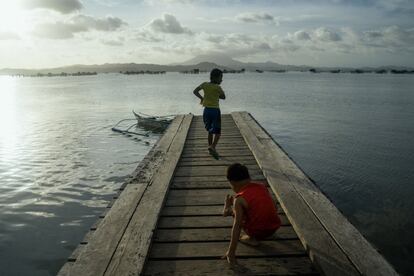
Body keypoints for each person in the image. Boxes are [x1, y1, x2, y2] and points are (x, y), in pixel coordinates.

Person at [222, 163, 281, 266]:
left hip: (258, 232)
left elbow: (237, 226)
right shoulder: (261, 186)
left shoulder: (239, 198)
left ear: (232, 182)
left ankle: (252, 239)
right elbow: (274, 206)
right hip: (274, 227)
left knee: (238, 214)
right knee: (249, 208)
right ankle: (228, 210)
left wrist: (231, 253)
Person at [193, 68, 226, 159]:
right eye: (220, 78)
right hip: (215, 111)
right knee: (218, 132)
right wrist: (216, 94)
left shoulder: (204, 84)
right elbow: (223, 97)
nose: (221, 80)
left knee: (210, 131)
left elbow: (195, 91)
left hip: (206, 111)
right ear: (215, 78)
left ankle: (210, 149)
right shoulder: (217, 87)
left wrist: (202, 98)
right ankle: (213, 147)